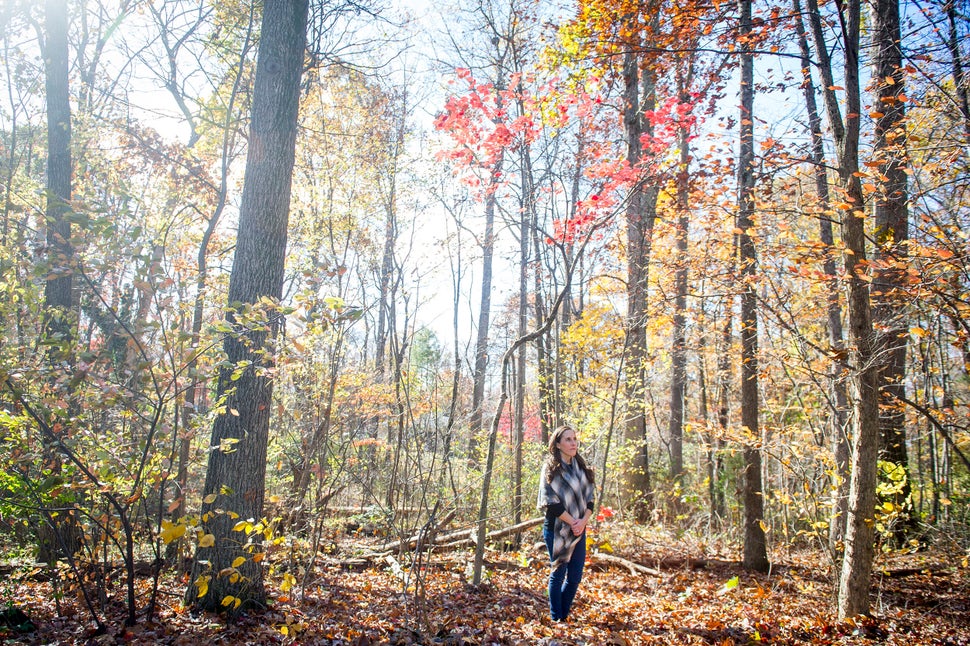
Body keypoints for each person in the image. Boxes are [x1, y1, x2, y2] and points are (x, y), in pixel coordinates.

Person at [537, 425, 595, 622]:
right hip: (557, 528)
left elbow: (590, 500)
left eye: (574, 439)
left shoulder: (581, 467)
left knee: (575, 577)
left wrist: (582, 522)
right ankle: (557, 618)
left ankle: (562, 616)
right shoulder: (551, 468)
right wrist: (572, 522)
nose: (573, 443)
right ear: (558, 444)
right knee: (558, 573)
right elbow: (550, 503)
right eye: (568, 439)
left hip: (579, 528)